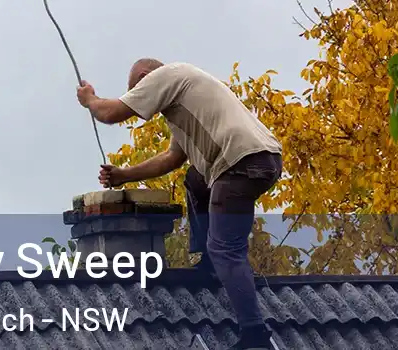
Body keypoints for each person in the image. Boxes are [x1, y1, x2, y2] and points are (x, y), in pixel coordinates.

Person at [75, 58, 283, 350]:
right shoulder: (184, 102)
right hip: (261, 159)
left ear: (146, 77)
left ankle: (254, 334)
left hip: (240, 163)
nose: (142, 98)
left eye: (138, 89)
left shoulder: (168, 75)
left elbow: (111, 113)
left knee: (226, 248)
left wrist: (90, 100)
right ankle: (210, 266)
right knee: (197, 178)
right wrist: (124, 175)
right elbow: (171, 159)